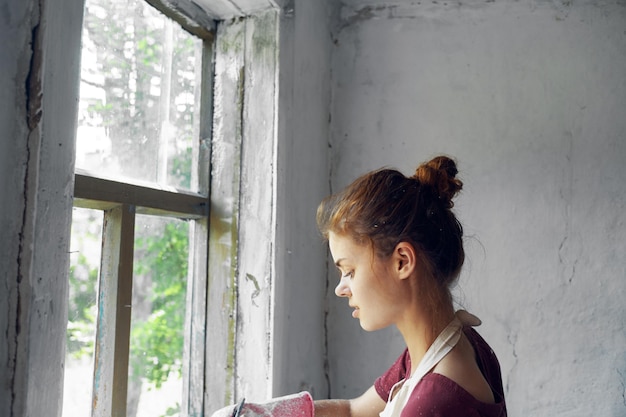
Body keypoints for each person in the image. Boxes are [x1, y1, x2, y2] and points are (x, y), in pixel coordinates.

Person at [313, 155, 507, 417]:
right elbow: (351, 411)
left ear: (402, 261)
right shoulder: (452, 346)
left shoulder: (436, 398)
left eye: (349, 271)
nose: (340, 289)